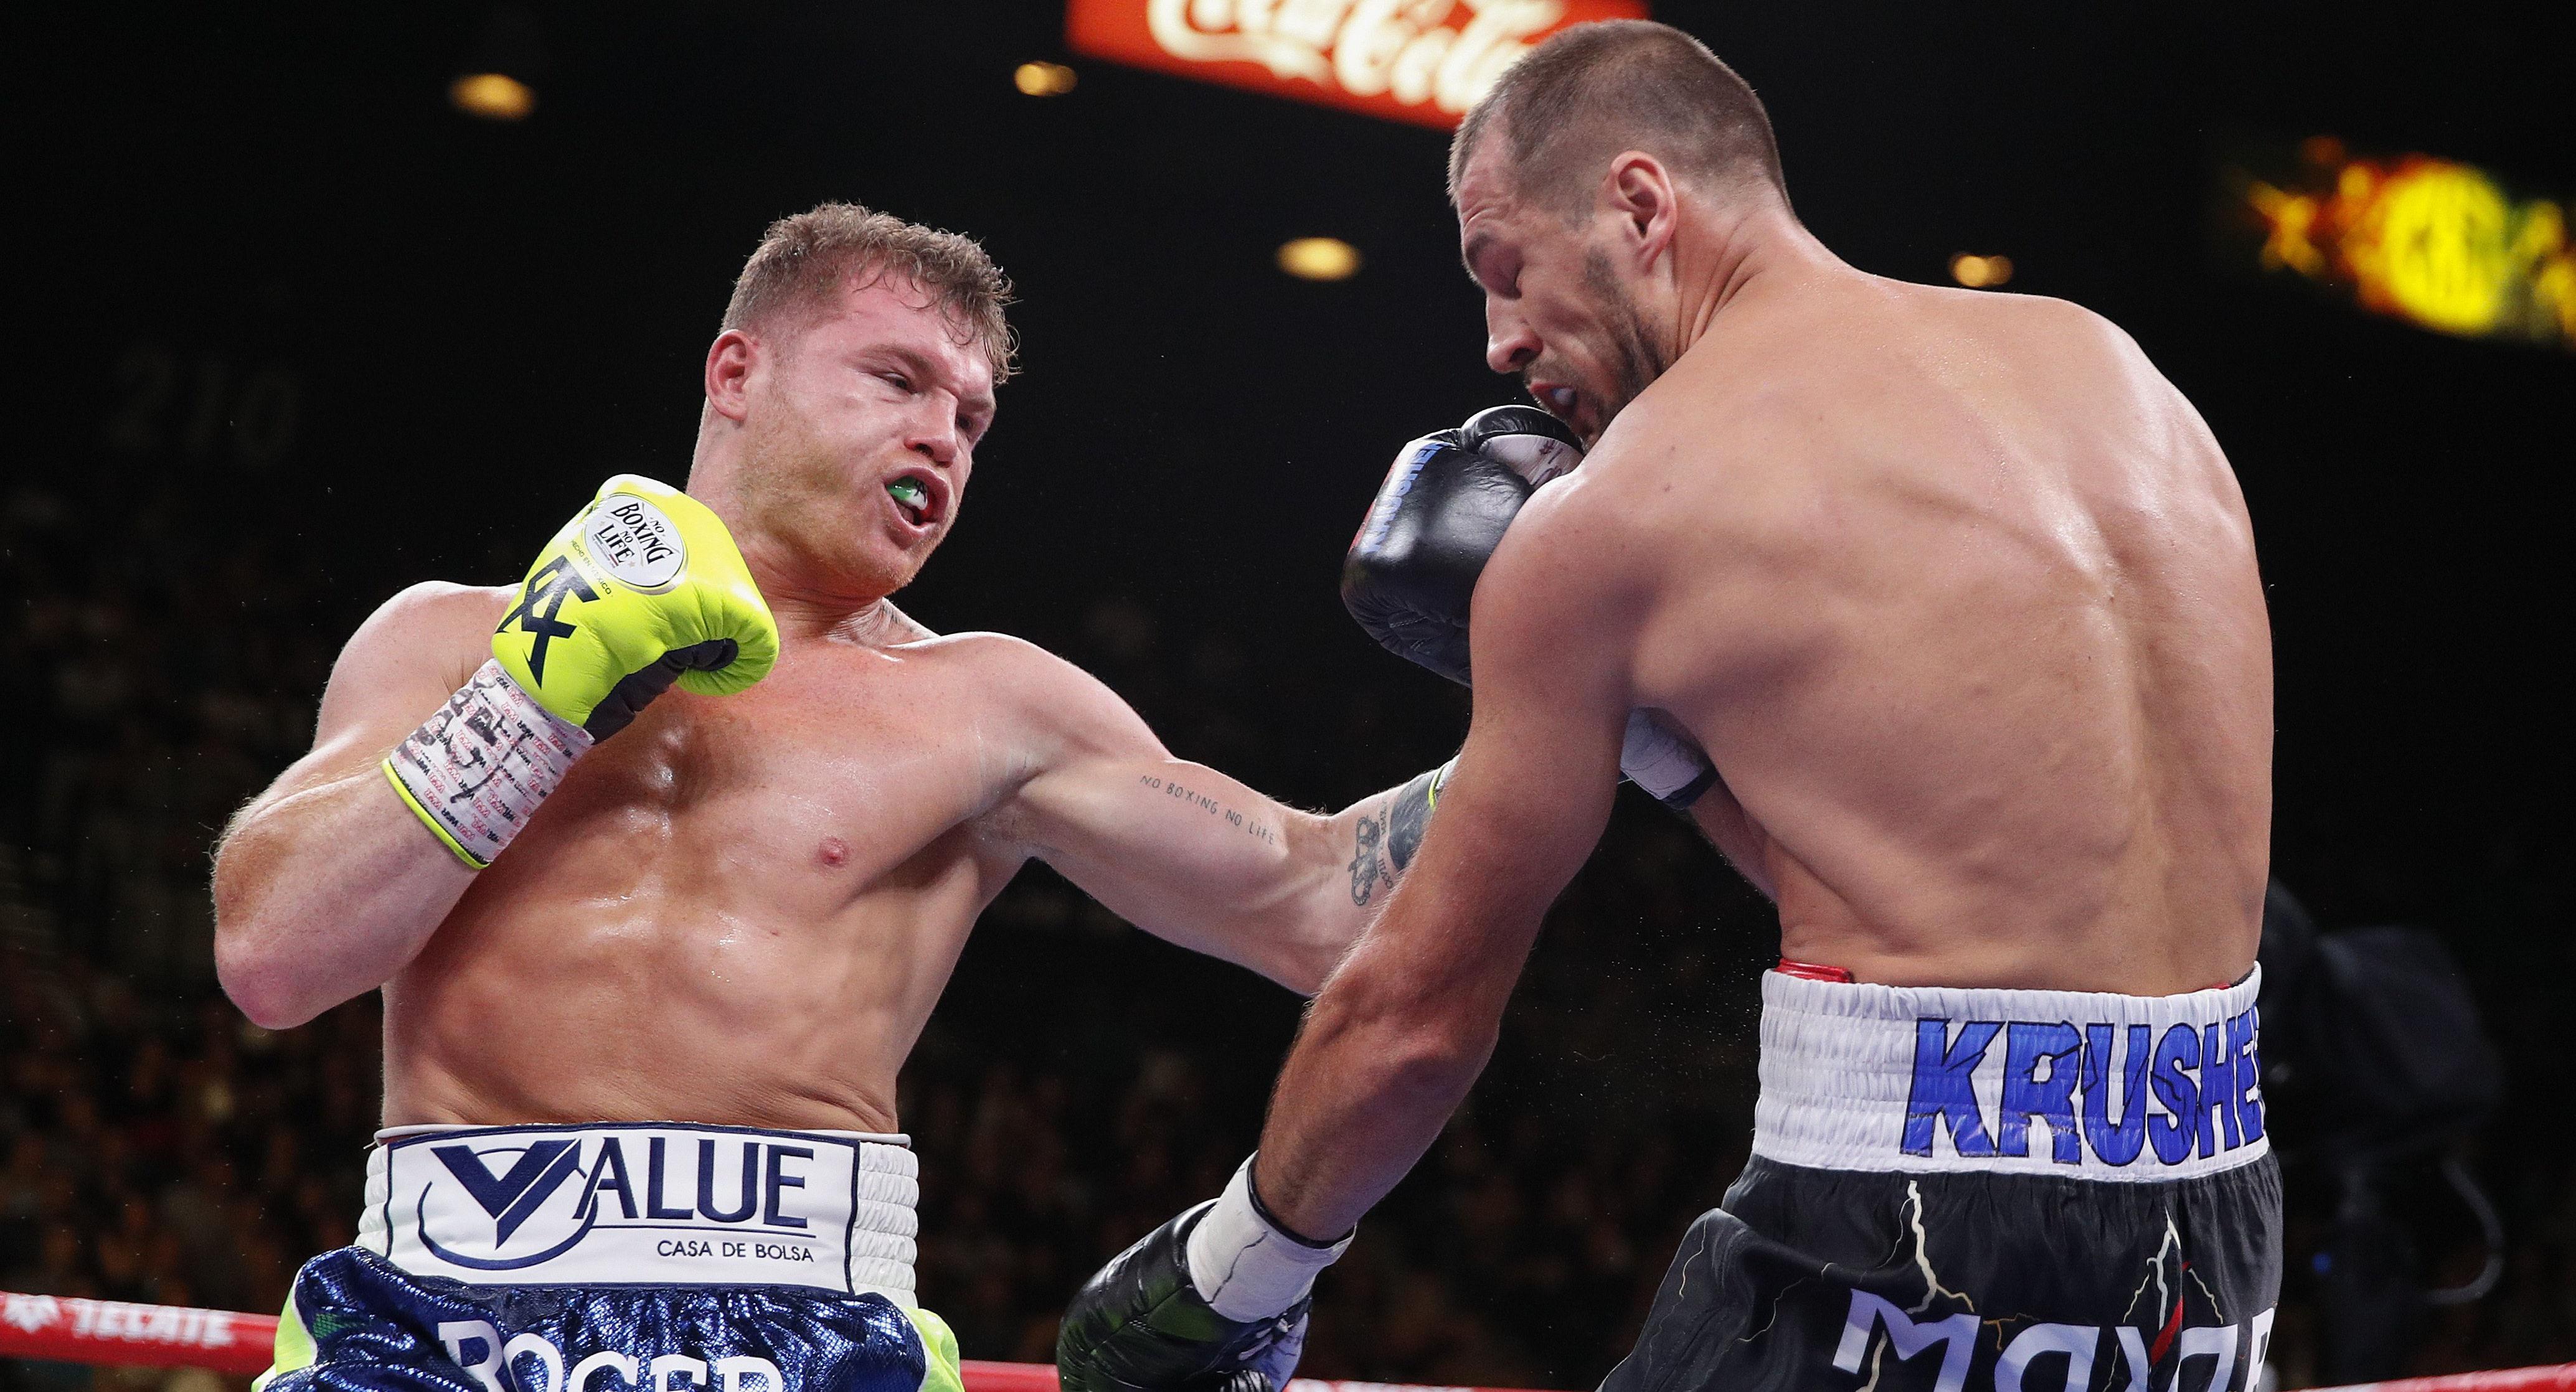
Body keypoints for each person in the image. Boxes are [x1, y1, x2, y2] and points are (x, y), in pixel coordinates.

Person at [1059, 21, 2279, 1392]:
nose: (1498, 338)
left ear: (1639, 204)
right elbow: (1942, 884)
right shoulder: (2113, 373)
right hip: (2210, 1242)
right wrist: (1661, 742)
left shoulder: (1616, 514)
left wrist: (1233, 1274)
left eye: (1499, 266)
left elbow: (1411, 1017)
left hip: (1898, 1232)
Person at [208, 203, 1470, 1392]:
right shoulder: (446, 641)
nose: (943, 435)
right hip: (436, 1317)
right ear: (736, 373)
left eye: (972, 418)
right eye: (898, 379)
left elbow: (1316, 900)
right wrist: (533, 696)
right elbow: (273, 955)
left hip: (804, 1326)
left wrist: (1578, 677)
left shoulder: (988, 705)